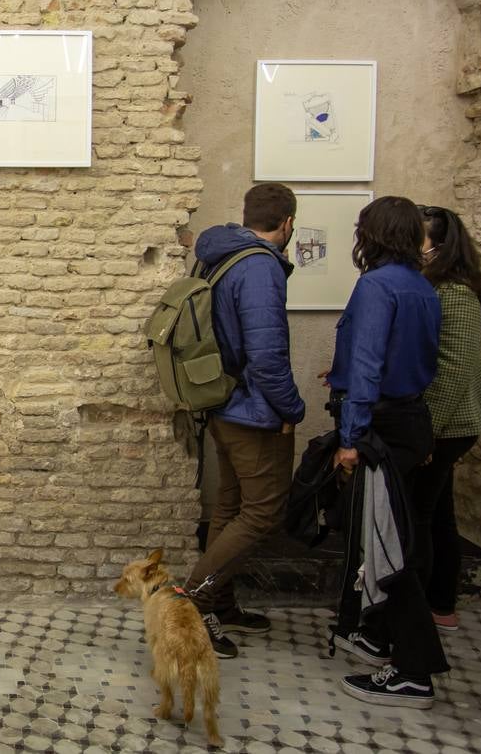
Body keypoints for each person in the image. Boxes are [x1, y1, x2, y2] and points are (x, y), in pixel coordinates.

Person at [327, 196, 448, 709]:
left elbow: (370, 365)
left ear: (372, 234)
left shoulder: (376, 286)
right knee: (393, 539)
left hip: (382, 427)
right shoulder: (422, 286)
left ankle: (414, 673)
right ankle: (376, 639)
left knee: (388, 551)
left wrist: (351, 439)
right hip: (411, 421)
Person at [185, 183, 306, 659]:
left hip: (223, 399)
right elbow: (267, 355)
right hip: (254, 411)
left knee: (232, 508)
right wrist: (292, 409)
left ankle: (219, 602)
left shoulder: (222, 256)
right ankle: (193, 602)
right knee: (261, 513)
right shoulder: (259, 267)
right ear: (288, 223)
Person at [413, 205, 481, 631]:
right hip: (444, 424)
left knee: (423, 515)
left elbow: (452, 370)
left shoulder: (456, 293)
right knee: (439, 512)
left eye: (418, 240)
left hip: (449, 425)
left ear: (440, 247)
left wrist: (426, 434)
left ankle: (423, 613)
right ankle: (439, 605)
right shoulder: (435, 287)